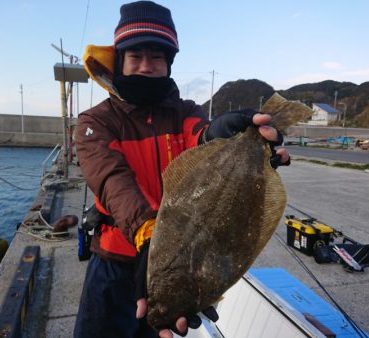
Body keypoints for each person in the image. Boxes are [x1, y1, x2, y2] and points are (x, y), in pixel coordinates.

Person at [74, 1, 290, 338]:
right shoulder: (96, 121)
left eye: (157, 57)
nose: (146, 66)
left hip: (182, 260)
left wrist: (227, 136)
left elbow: (201, 137)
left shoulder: (184, 112)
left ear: (169, 64)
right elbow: (111, 179)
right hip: (115, 264)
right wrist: (148, 235)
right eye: (136, 56)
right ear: (119, 61)